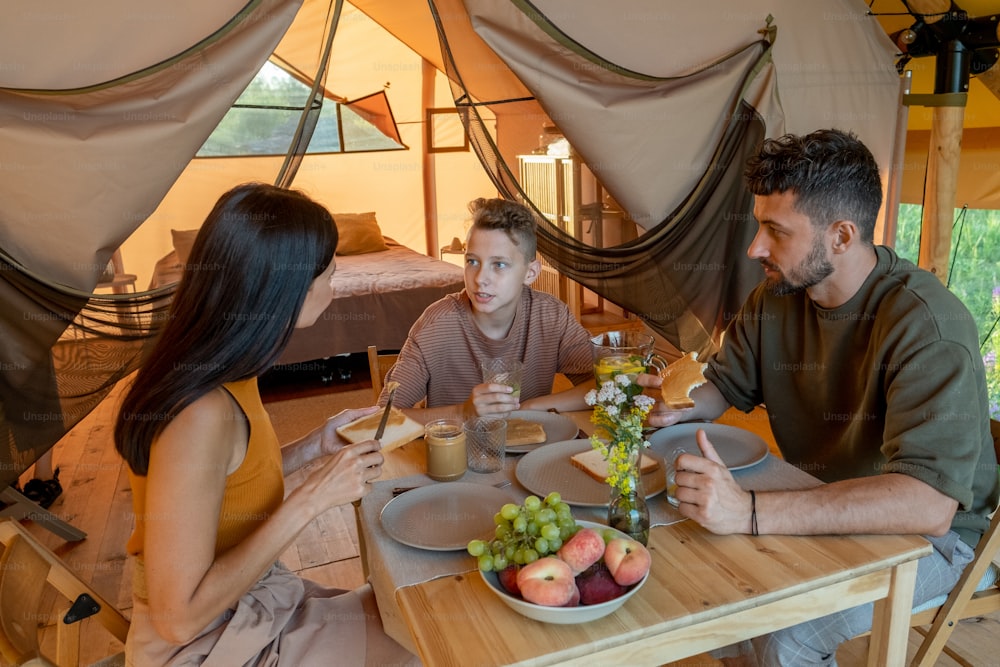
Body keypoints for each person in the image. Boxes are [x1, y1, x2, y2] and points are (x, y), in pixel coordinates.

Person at [640, 129, 999, 666]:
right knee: (718, 603)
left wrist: (750, 512)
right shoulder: (776, 296)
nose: (754, 248)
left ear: (841, 235)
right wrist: (677, 403)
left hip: (940, 539)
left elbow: (929, 505)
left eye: (774, 231)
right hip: (817, 497)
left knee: (786, 638)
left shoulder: (927, 324)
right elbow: (723, 388)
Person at [114, 183, 419, 666]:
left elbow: (222, 489)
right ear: (284, 286)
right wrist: (313, 496)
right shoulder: (198, 413)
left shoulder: (227, 369)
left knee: (416, 609)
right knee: (427, 642)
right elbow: (179, 620)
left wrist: (313, 445)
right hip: (206, 645)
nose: (334, 282)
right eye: (327, 271)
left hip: (249, 607)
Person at [380, 197, 594, 419]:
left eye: (499, 265)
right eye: (472, 262)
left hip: (531, 452)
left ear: (530, 273)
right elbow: (383, 419)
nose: (480, 278)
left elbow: (610, 385)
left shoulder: (551, 317)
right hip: (453, 452)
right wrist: (464, 412)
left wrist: (531, 407)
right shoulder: (436, 325)